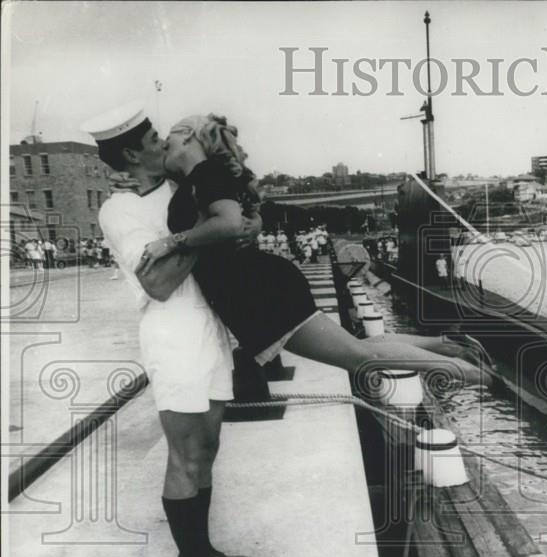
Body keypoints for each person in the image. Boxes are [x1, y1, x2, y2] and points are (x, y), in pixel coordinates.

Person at [137, 113, 491, 385]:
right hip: (257, 287)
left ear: (187, 137)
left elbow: (228, 223)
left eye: (168, 137)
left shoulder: (206, 176)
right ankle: (451, 347)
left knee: (359, 356)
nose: (164, 144)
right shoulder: (204, 177)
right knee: (361, 350)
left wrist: (172, 241)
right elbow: (237, 216)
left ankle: (476, 375)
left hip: (256, 293)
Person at [83, 102, 258, 557]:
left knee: (208, 446)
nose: (165, 144)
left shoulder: (181, 189)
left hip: (210, 325)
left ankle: (203, 551)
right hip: (173, 332)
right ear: (133, 151)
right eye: (155, 138)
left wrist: (240, 225)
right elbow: (157, 282)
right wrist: (212, 231)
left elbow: (235, 219)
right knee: (185, 455)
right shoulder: (121, 211)